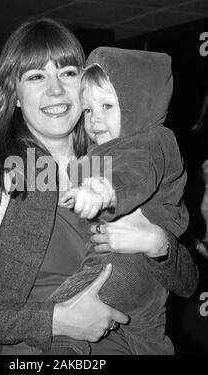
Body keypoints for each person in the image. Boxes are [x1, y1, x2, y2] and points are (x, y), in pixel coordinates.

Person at [0, 18, 198, 355]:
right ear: (15, 95)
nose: (56, 90)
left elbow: (187, 282)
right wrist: (55, 319)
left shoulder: (115, 166)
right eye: (36, 76)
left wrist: (159, 245)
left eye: (67, 72)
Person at [47, 48, 189, 355]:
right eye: (88, 110)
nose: (95, 119)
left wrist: (102, 192)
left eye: (107, 106)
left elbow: (134, 175)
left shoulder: (147, 141)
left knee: (59, 318)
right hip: (148, 284)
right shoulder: (105, 151)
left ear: (138, 105)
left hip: (120, 267)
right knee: (149, 340)